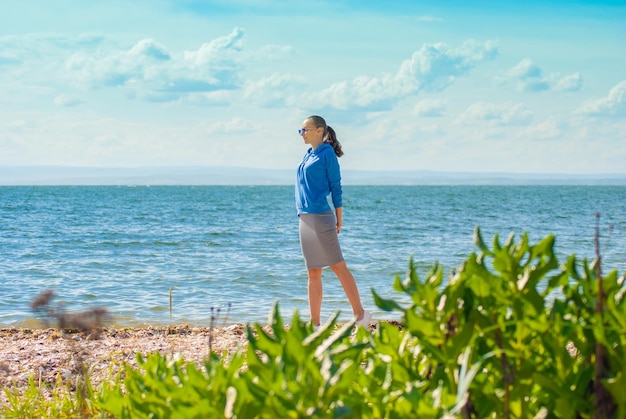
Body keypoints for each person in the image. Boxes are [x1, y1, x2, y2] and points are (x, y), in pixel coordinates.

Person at [295, 115, 371, 329]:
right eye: (300, 130)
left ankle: (361, 315)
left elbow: (336, 187)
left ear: (320, 130)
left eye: (305, 129)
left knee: (338, 266)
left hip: (321, 217)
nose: (302, 133)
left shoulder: (327, 154)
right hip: (305, 217)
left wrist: (339, 219)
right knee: (313, 271)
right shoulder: (308, 154)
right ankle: (315, 324)